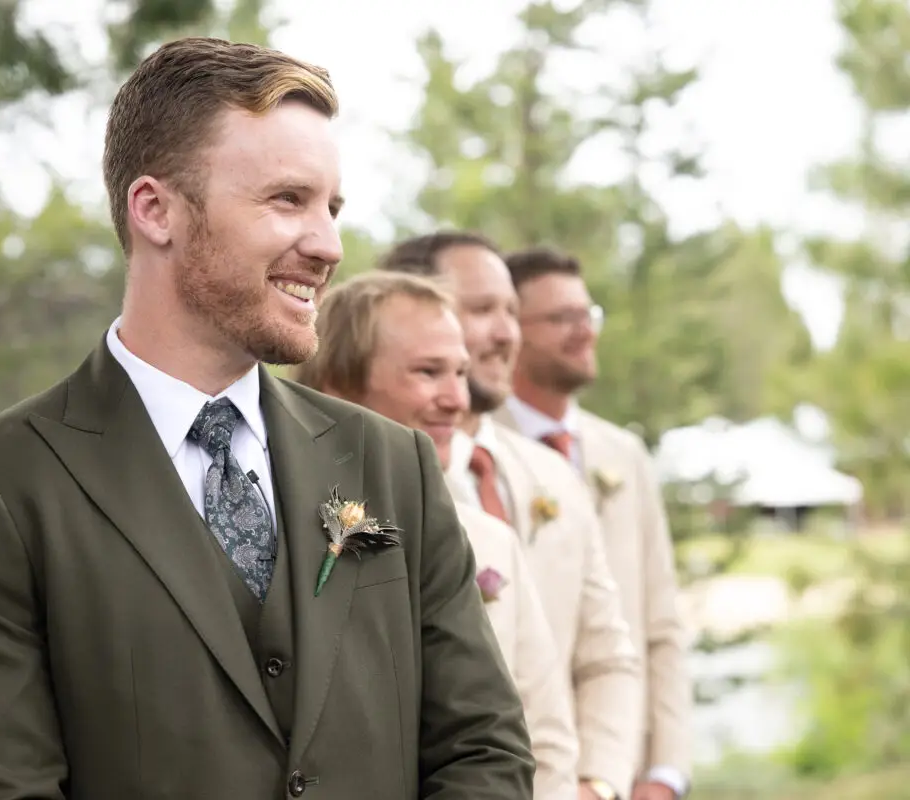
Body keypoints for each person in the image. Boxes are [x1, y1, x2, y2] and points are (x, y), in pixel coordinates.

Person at [0, 37, 534, 800]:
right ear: (155, 210)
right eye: (286, 201)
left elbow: (484, 751)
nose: (329, 245)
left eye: (331, 208)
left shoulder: (392, 464)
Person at [294, 270, 581, 798]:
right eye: (429, 372)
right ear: (335, 384)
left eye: (461, 373)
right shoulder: (276, 530)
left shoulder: (492, 541)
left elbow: (544, 741)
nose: (458, 399)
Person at [381, 232, 643, 800]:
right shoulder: (374, 495)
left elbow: (608, 657)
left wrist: (597, 785)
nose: (506, 335)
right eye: (481, 311)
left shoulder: (555, 478)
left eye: (512, 312)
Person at [498, 246, 692, 800]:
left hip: (631, 775)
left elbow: (662, 624)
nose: (585, 332)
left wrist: (665, 774)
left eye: (589, 315)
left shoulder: (623, 453)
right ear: (510, 332)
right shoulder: (478, 452)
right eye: (562, 318)